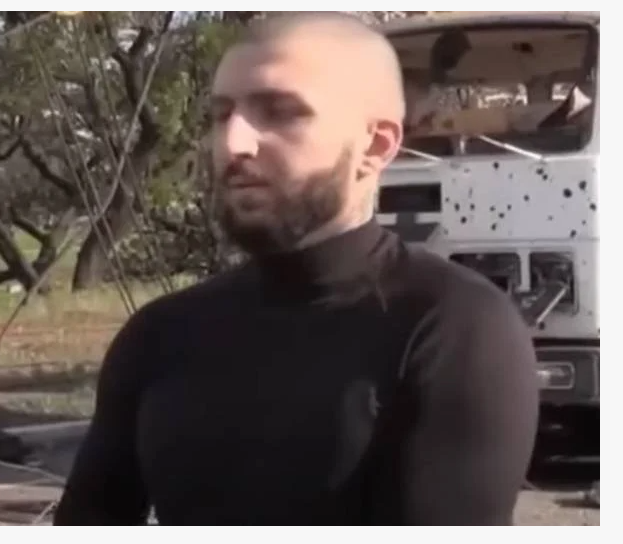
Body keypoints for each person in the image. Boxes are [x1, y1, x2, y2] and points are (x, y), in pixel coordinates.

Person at [52, 12, 539, 526]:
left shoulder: (454, 329)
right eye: (221, 115)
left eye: (281, 113)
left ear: (376, 145)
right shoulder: (158, 334)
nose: (234, 144)